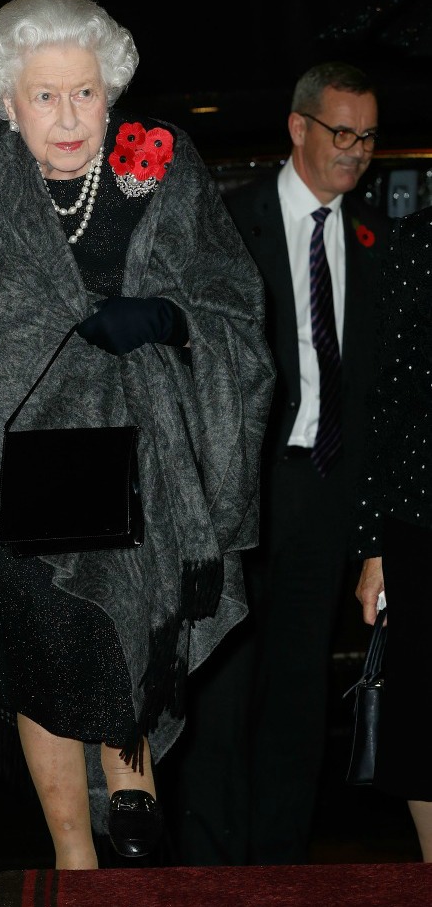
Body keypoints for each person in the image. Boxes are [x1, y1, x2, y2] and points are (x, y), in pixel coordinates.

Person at [0, 0, 274, 869]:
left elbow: (233, 304)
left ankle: (131, 803)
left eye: (84, 92)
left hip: (139, 461)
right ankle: (72, 860)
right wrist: (10, 360)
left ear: (111, 92)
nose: (67, 115)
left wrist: (165, 317)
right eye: (44, 95)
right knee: (45, 657)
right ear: (6, 101)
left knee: (118, 634)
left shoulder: (159, 165)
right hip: (12, 469)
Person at [169, 61, 390, 866]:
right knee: (222, 693)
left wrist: (371, 527)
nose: (356, 151)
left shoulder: (373, 238)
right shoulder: (232, 224)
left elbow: (375, 392)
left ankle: (281, 868)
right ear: (298, 128)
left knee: (299, 696)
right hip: (238, 491)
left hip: (324, 493)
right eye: (341, 133)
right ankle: (211, 873)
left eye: (367, 136)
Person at [353, 205, 432, 862]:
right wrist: (373, 542)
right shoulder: (419, 242)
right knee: (423, 714)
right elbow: (385, 395)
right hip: (422, 509)